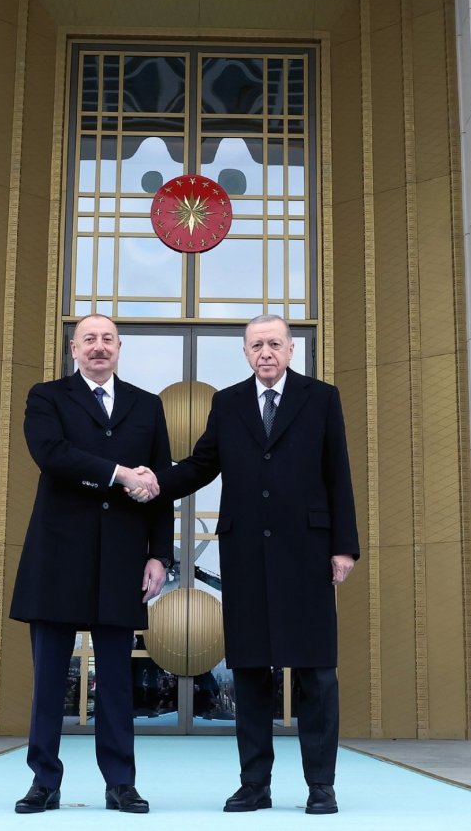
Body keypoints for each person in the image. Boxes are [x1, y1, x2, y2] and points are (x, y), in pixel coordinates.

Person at [155, 313, 359, 816]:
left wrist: (344, 547)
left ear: (291, 350)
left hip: (307, 553)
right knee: (249, 672)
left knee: (316, 675)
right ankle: (254, 785)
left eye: (274, 344)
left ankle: (321, 787)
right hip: (245, 553)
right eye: (255, 346)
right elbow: (203, 465)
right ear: (246, 354)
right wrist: (156, 482)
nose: (265, 353)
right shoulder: (227, 404)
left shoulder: (322, 398)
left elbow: (338, 474)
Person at [8, 313, 173, 815]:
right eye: (89, 340)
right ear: (73, 348)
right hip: (58, 555)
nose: (98, 347)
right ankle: (44, 781)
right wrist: (121, 474)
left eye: (107, 340)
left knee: (119, 683)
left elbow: (159, 486)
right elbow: (52, 454)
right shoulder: (47, 397)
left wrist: (160, 555)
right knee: (50, 679)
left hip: (123, 557)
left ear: (119, 348)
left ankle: (121, 782)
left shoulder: (148, 406)